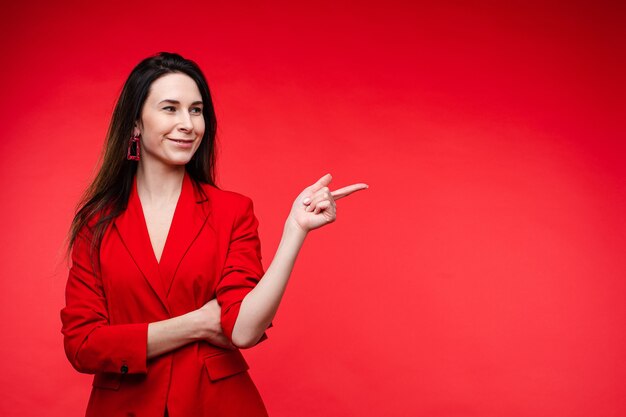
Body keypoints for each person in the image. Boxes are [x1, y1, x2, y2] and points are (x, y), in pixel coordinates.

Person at [60, 52, 368, 417]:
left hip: (217, 405)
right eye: (170, 108)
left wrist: (295, 230)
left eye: (196, 110)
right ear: (135, 124)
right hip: (125, 406)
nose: (188, 124)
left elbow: (242, 331)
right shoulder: (96, 223)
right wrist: (197, 323)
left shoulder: (232, 211)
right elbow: (82, 345)